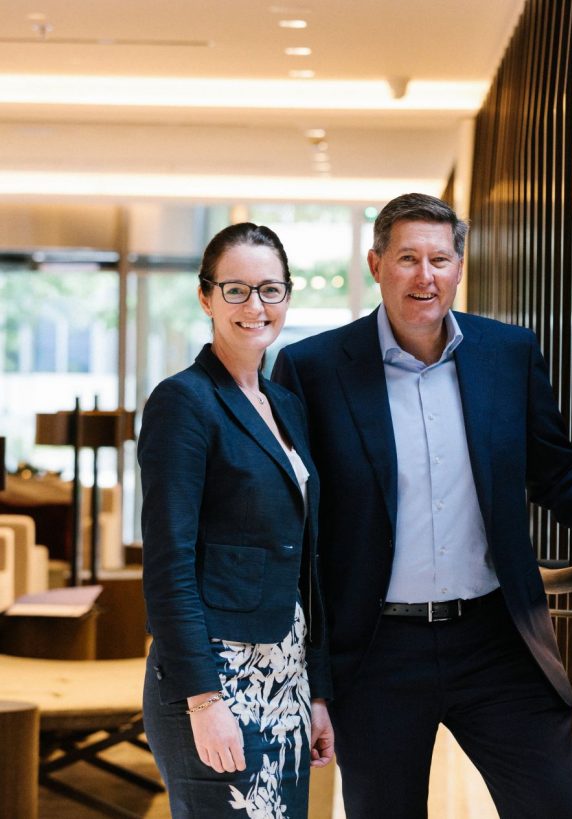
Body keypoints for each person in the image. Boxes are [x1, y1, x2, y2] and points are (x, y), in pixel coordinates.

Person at [272, 193, 572, 818]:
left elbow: (558, 474)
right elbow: (299, 530)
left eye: (439, 259)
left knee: (556, 807)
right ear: (375, 264)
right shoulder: (312, 369)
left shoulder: (508, 354)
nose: (425, 277)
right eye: (406, 259)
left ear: (459, 267)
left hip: (496, 640)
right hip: (374, 654)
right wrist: (310, 677)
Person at [138, 222, 334, 817]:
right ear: (206, 297)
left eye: (270, 290)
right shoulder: (184, 401)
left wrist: (317, 691)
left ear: (287, 297)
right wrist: (203, 700)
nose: (256, 306)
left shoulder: (286, 406)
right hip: (215, 681)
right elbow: (168, 562)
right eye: (236, 290)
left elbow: (306, 562)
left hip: (285, 678)